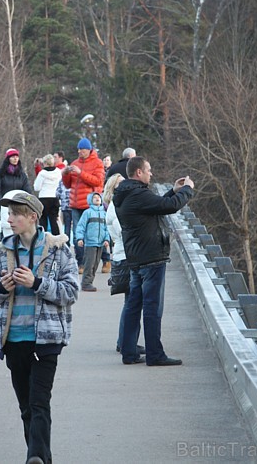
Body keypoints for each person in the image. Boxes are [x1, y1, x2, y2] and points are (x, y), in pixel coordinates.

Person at [0, 191, 79, 464]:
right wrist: (3, 286)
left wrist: (36, 283)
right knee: (26, 407)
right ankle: (40, 458)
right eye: (8, 214)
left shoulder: (58, 249)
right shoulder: (2, 251)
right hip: (13, 338)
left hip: (46, 339)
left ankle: (35, 457)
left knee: (39, 403)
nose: (10, 219)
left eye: (15, 214)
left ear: (32, 217)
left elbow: (70, 292)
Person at [113, 156, 194, 366]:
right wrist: (187, 190)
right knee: (152, 308)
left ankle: (129, 352)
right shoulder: (137, 194)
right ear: (138, 173)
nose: (151, 173)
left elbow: (155, 206)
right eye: (148, 170)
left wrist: (173, 191)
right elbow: (170, 206)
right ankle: (155, 354)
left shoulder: (126, 194)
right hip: (151, 258)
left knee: (133, 305)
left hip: (137, 258)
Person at [104, 173, 144, 355]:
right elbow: (125, 231)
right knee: (132, 303)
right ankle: (125, 342)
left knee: (132, 302)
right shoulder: (116, 207)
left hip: (125, 256)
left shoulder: (118, 206)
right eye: (121, 184)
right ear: (113, 188)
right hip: (125, 258)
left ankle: (127, 341)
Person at [61, 138, 105, 273]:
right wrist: (65, 174)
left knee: (94, 234)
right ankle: (81, 263)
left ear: (89, 149)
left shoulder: (97, 163)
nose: (80, 152)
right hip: (75, 205)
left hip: (90, 205)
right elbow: (68, 185)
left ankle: (106, 259)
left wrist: (81, 173)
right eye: (78, 149)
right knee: (77, 236)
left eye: (82, 149)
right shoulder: (74, 163)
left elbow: (98, 181)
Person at [74, 192, 110, 292]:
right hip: (90, 243)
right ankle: (86, 283)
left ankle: (90, 282)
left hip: (100, 243)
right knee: (89, 264)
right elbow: (81, 226)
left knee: (95, 264)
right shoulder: (87, 213)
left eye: (98, 197)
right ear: (90, 200)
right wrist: (80, 238)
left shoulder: (104, 214)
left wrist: (107, 239)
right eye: (94, 197)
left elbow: (107, 228)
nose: (97, 198)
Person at [0, 148, 33, 233]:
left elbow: (27, 188)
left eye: (17, 157)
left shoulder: (21, 174)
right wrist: (1, 202)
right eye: (13, 156)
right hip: (3, 207)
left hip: (19, 207)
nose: (15, 158)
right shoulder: (0, 173)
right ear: (8, 159)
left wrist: (28, 200)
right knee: (6, 230)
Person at [33, 154, 62, 235]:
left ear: (44, 163)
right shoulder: (58, 172)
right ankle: (57, 241)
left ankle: (44, 239)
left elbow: (37, 188)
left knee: (43, 221)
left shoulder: (42, 173)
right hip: (54, 198)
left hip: (43, 198)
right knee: (54, 221)